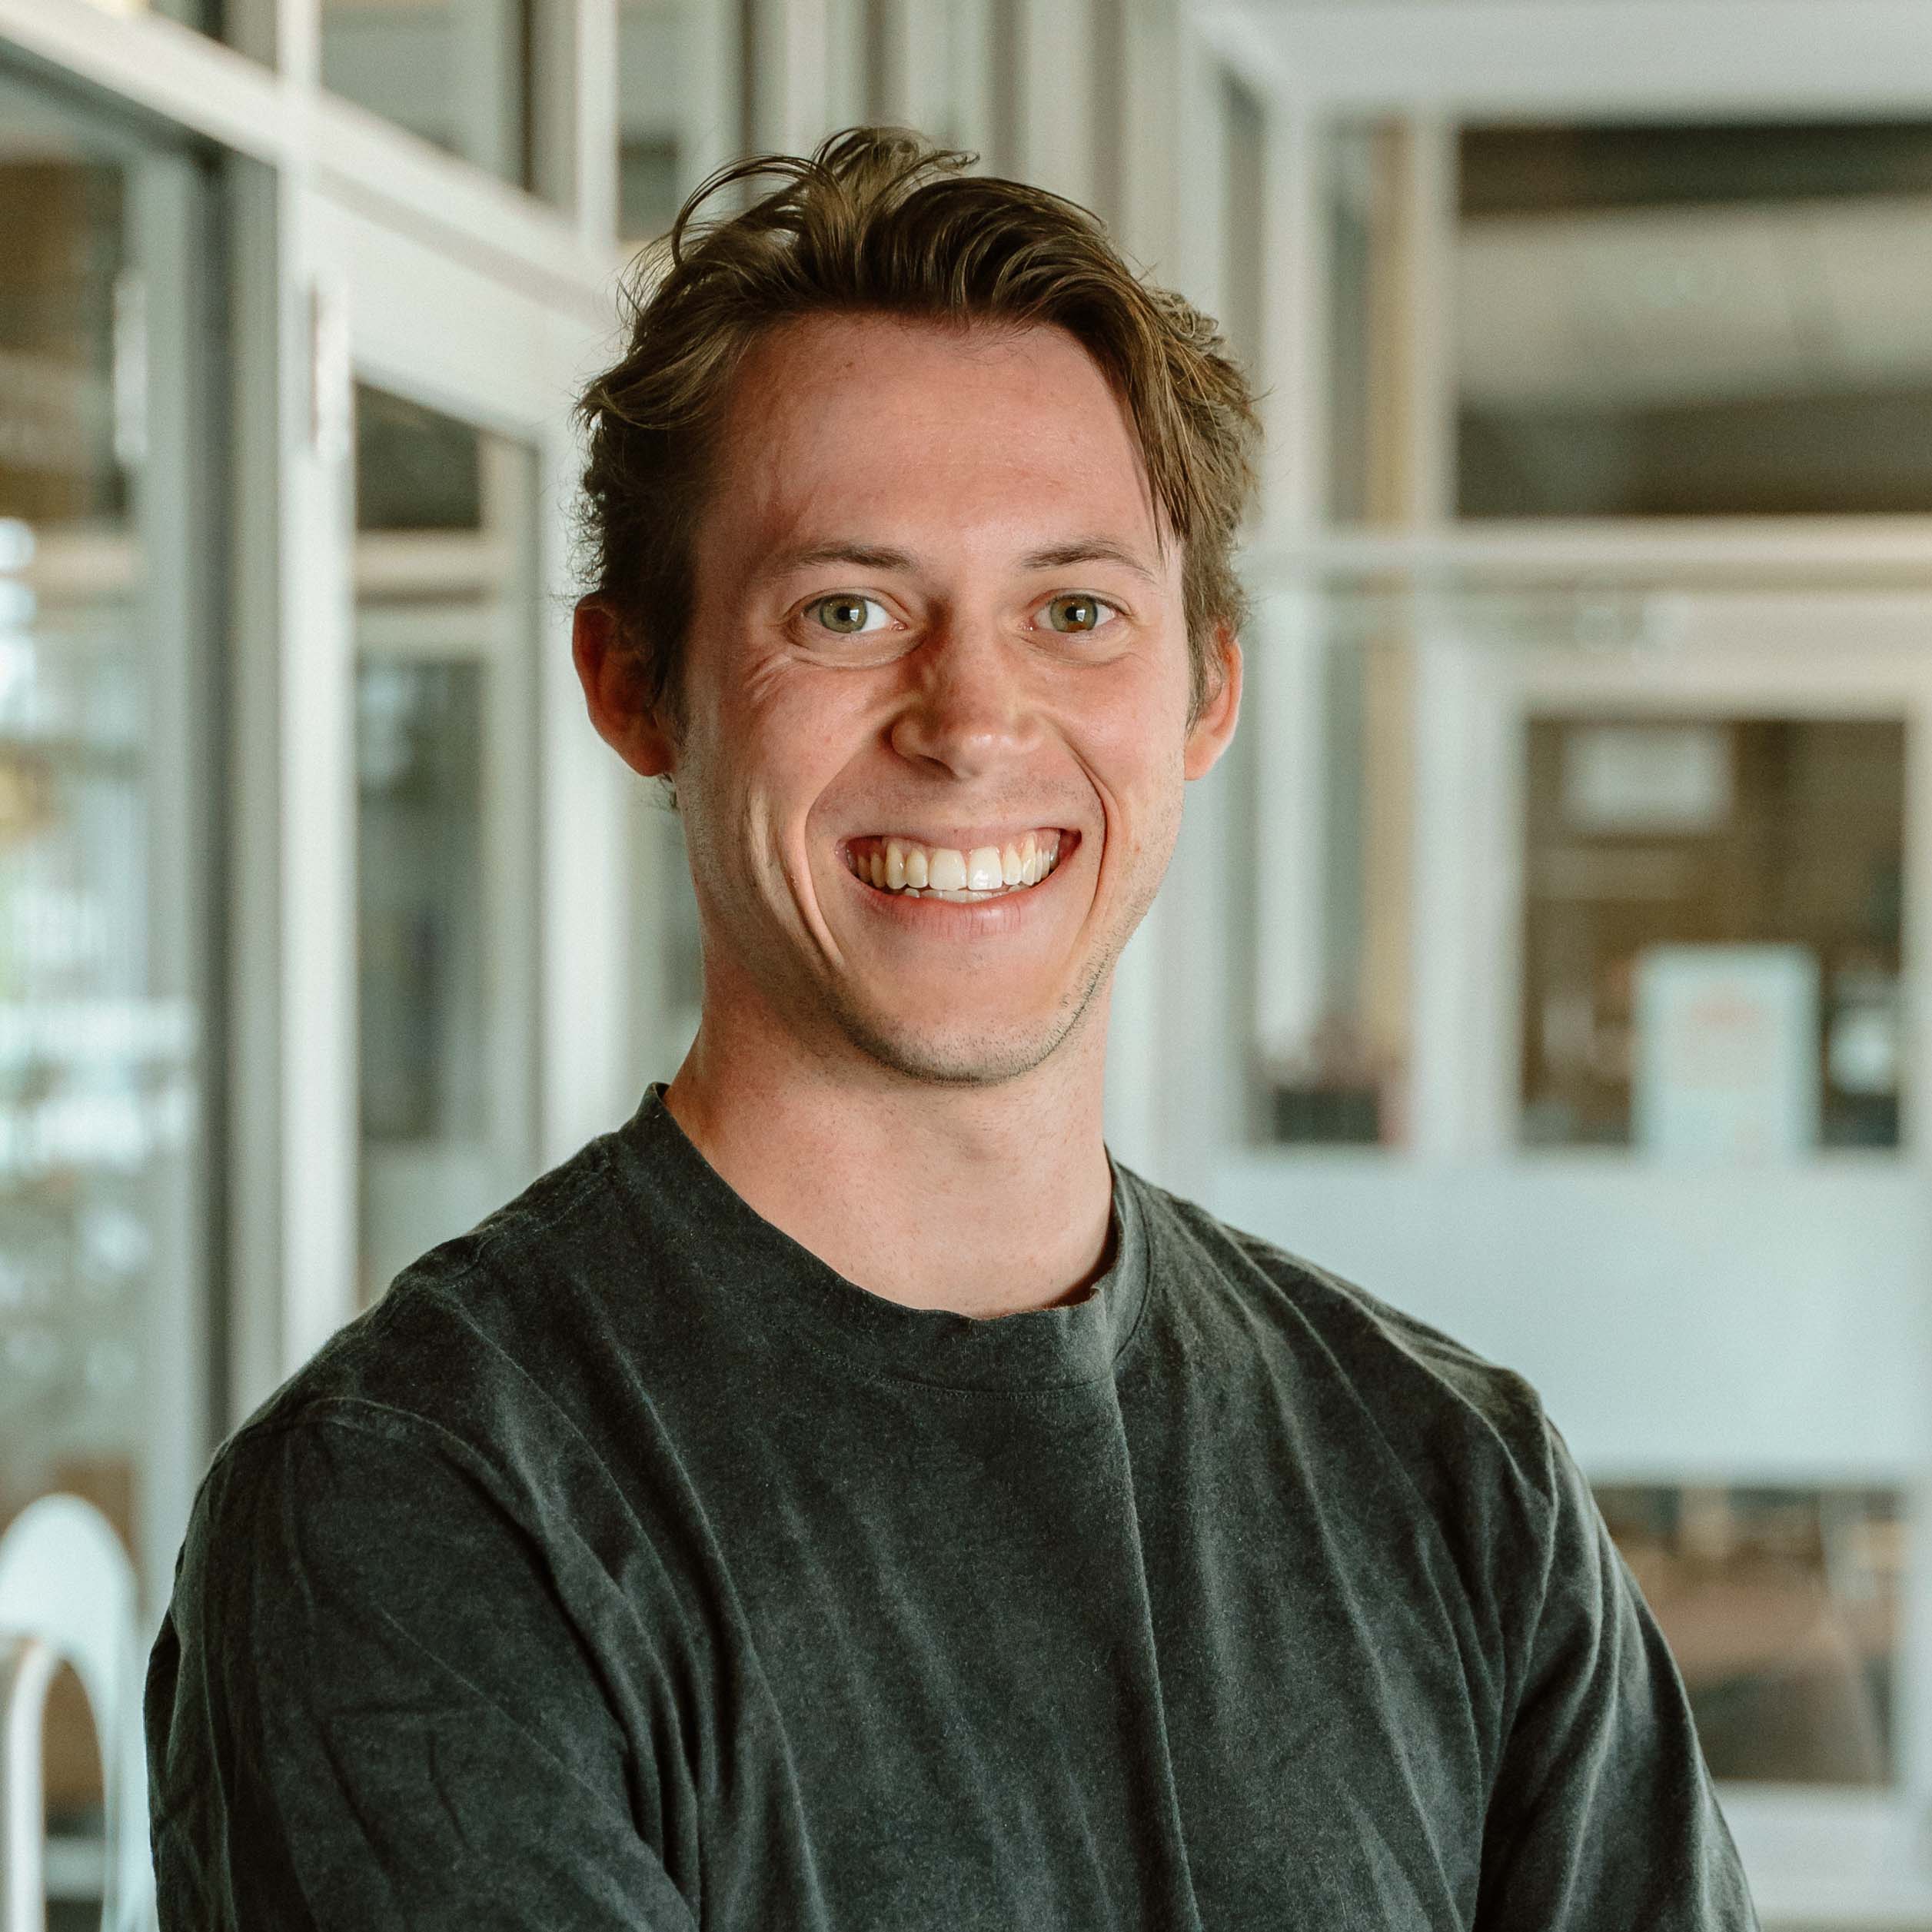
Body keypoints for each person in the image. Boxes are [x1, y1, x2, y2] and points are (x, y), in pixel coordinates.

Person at [146, 128, 1757, 1930]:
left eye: (1075, 611)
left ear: (1206, 692)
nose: (974, 719)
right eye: (848, 610)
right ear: (636, 684)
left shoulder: (1459, 1488)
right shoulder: (424, 1509)